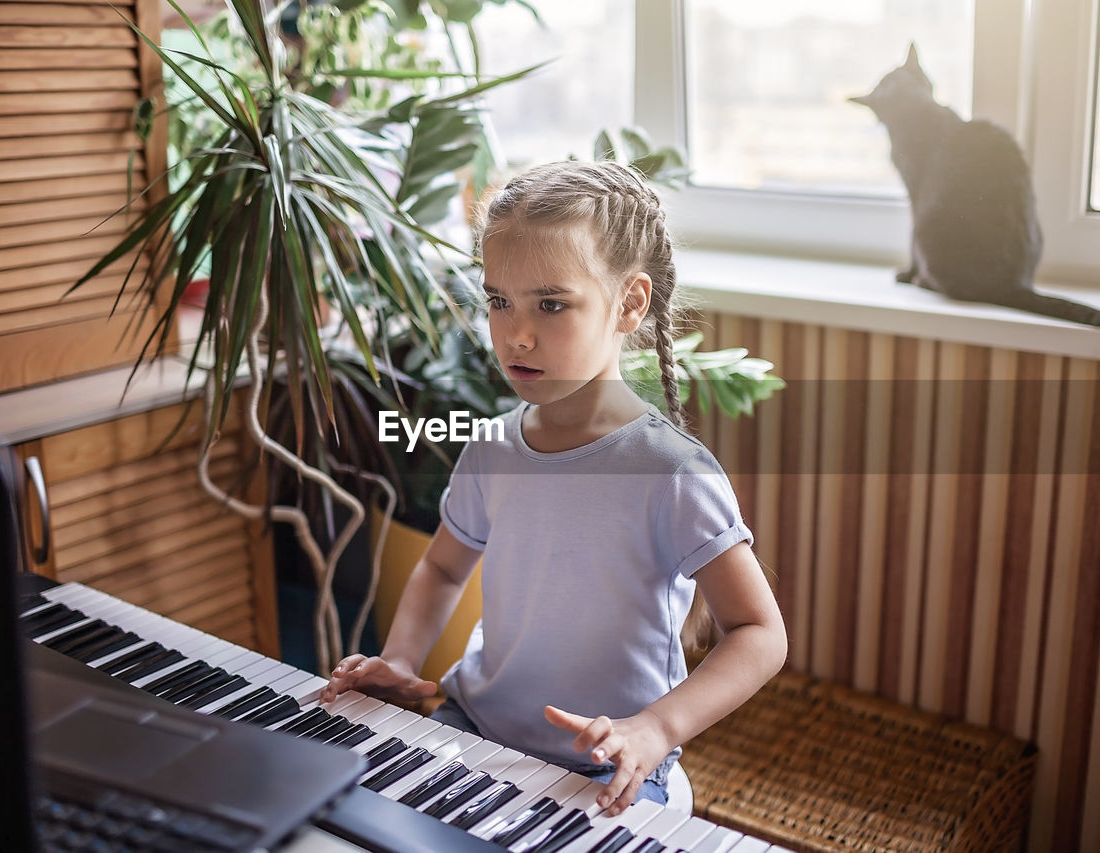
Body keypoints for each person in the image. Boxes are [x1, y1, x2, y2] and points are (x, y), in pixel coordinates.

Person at [320, 160, 787, 815]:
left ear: (629, 302)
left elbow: (760, 631)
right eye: (498, 300)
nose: (517, 332)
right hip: (475, 728)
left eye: (551, 303)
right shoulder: (492, 447)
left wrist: (656, 728)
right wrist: (400, 659)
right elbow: (441, 569)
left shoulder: (671, 472)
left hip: (605, 766)